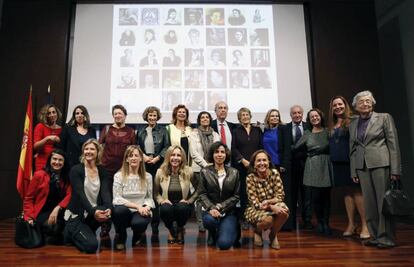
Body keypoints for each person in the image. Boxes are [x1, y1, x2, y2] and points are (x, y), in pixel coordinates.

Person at [349, 90, 401, 249]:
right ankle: (375, 235)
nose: (365, 104)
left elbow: (393, 145)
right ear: (356, 106)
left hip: (381, 164)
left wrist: (395, 170)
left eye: (367, 101)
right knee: (370, 204)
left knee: (382, 203)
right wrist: (354, 170)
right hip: (362, 167)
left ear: (372, 103)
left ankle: (386, 238)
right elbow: (352, 149)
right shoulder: (353, 123)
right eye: (361, 102)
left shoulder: (384, 117)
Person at [328, 96, 370, 239]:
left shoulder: (354, 120)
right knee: (346, 193)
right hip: (338, 163)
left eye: (340, 104)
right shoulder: (332, 124)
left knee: (358, 192)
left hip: (351, 162)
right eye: (335, 105)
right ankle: (351, 224)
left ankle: (365, 225)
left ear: (345, 105)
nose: (338, 107)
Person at [63, 139, 112, 254]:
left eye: (92, 149)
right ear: (83, 151)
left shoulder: (102, 171)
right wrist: (93, 212)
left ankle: (84, 232)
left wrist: (109, 208)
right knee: (92, 246)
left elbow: (106, 193)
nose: (88, 151)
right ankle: (69, 233)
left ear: (98, 152)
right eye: (86, 149)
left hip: (92, 213)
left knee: (109, 211)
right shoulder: (76, 170)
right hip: (77, 214)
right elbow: (80, 195)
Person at [294, 108, 333, 235]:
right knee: (315, 197)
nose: (315, 118)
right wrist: (307, 154)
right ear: (309, 120)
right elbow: (295, 147)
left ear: (321, 117)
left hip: (325, 165)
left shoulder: (328, 131)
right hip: (312, 166)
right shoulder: (307, 133)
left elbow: (333, 147)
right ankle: (320, 223)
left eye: (316, 116)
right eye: (312, 117)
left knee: (326, 197)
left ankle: (326, 223)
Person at [23, 149, 72, 246]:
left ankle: (51, 236)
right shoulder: (39, 175)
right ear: (50, 160)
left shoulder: (66, 177)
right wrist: (29, 217)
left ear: (64, 162)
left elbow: (70, 194)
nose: (57, 162)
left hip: (60, 211)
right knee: (54, 227)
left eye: (60, 160)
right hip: (42, 211)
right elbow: (29, 198)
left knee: (67, 230)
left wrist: (57, 208)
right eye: (54, 159)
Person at [198, 142, 240, 250]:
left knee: (224, 245)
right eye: (216, 152)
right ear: (212, 154)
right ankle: (212, 232)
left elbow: (236, 196)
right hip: (210, 212)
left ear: (226, 155)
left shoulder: (234, 172)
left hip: (229, 212)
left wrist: (220, 207)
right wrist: (212, 208)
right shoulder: (205, 171)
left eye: (222, 152)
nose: (220, 155)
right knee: (209, 221)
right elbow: (202, 194)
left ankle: (232, 229)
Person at [112, 145, 154, 250]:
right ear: (126, 159)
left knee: (139, 223)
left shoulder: (148, 176)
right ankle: (121, 236)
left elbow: (149, 198)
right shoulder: (118, 176)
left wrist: (146, 208)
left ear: (141, 158)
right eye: (130, 156)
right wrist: (137, 207)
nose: (134, 158)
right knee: (118, 211)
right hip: (124, 210)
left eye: (136, 155)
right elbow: (117, 198)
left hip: (140, 211)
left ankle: (137, 235)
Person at [245, 150, 289, 249]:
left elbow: (280, 196)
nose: (262, 163)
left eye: (264, 160)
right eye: (258, 161)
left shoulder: (274, 173)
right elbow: (255, 203)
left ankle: (273, 235)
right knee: (267, 220)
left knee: (284, 211)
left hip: (272, 204)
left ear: (269, 162)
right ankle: (258, 231)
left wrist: (269, 203)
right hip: (255, 208)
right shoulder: (250, 178)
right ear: (254, 164)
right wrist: (271, 207)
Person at [136, 106, 170, 235]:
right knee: (144, 194)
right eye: (150, 115)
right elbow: (137, 146)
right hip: (143, 165)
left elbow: (167, 146)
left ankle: (155, 225)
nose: (152, 118)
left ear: (157, 117)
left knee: (155, 195)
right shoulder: (140, 131)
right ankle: (142, 225)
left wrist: (157, 158)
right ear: (146, 117)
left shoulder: (163, 130)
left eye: (154, 115)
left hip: (158, 165)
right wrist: (143, 156)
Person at [154, 146, 195, 244]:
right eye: (173, 155)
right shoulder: (160, 172)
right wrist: (161, 201)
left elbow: (199, 189)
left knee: (182, 208)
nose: (175, 158)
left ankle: (180, 228)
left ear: (182, 158)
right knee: (165, 209)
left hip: (182, 204)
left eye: (178, 155)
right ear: (168, 156)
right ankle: (171, 230)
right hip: (167, 203)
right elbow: (155, 192)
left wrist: (189, 200)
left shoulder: (189, 171)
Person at [232, 107, 263, 229]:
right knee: (244, 193)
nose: (245, 117)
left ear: (250, 116)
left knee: (256, 192)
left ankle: (256, 216)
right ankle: (244, 218)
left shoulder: (257, 130)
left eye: (247, 114)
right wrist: (243, 160)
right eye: (242, 115)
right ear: (239, 118)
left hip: (257, 166)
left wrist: (256, 161)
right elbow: (233, 148)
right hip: (242, 166)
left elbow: (261, 146)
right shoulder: (236, 131)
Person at [190, 111, 220, 231]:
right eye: (202, 117)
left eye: (207, 117)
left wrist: (212, 165)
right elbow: (193, 153)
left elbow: (218, 150)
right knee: (199, 197)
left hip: (214, 169)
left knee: (212, 196)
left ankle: (212, 220)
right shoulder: (194, 134)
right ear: (199, 120)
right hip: (198, 169)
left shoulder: (215, 134)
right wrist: (205, 165)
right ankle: (200, 223)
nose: (205, 119)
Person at [283, 105, 312, 230]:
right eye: (294, 113)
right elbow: (283, 148)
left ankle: (307, 221)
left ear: (302, 114)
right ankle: (291, 221)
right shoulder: (284, 128)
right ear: (291, 115)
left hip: (307, 165)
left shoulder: (309, 127)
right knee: (291, 195)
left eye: (299, 112)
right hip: (290, 167)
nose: (297, 115)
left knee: (307, 195)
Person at [99, 105, 136, 181]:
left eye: (120, 113)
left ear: (125, 116)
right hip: (106, 168)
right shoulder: (107, 129)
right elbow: (99, 147)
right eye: (115, 114)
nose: (117, 116)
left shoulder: (131, 131)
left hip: (123, 169)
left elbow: (133, 151)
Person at [34, 104, 62, 171]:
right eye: (49, 113)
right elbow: (35, 147)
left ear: (57, 113)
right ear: (45, 115)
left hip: (56, 162)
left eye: (54, 112)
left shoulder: (61, 129)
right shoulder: (40, 126)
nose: (52, 115)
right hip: (42, 161)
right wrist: (47, 138)